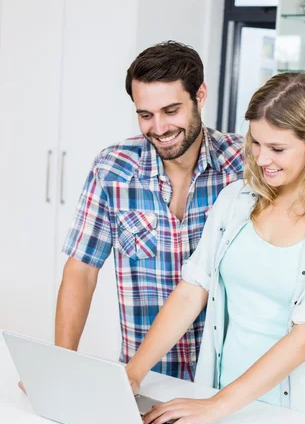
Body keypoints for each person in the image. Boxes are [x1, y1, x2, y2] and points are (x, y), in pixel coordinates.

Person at [125, 71, 305, 424]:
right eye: (255, 143)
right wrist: (133, 373)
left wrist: (216, 406)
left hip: (290, 415)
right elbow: (192, 289)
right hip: (218, 400)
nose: (261, 158)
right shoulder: (236, 200)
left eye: (277, 148)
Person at [56, 41, 243, 380]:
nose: (158, 128)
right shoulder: (113, 169)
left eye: (171, 111)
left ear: (200, 95)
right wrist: (60, 365)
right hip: (143, 376)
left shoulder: (243, 166)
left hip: (227, 380)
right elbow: (81, 270)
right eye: (145, 115)